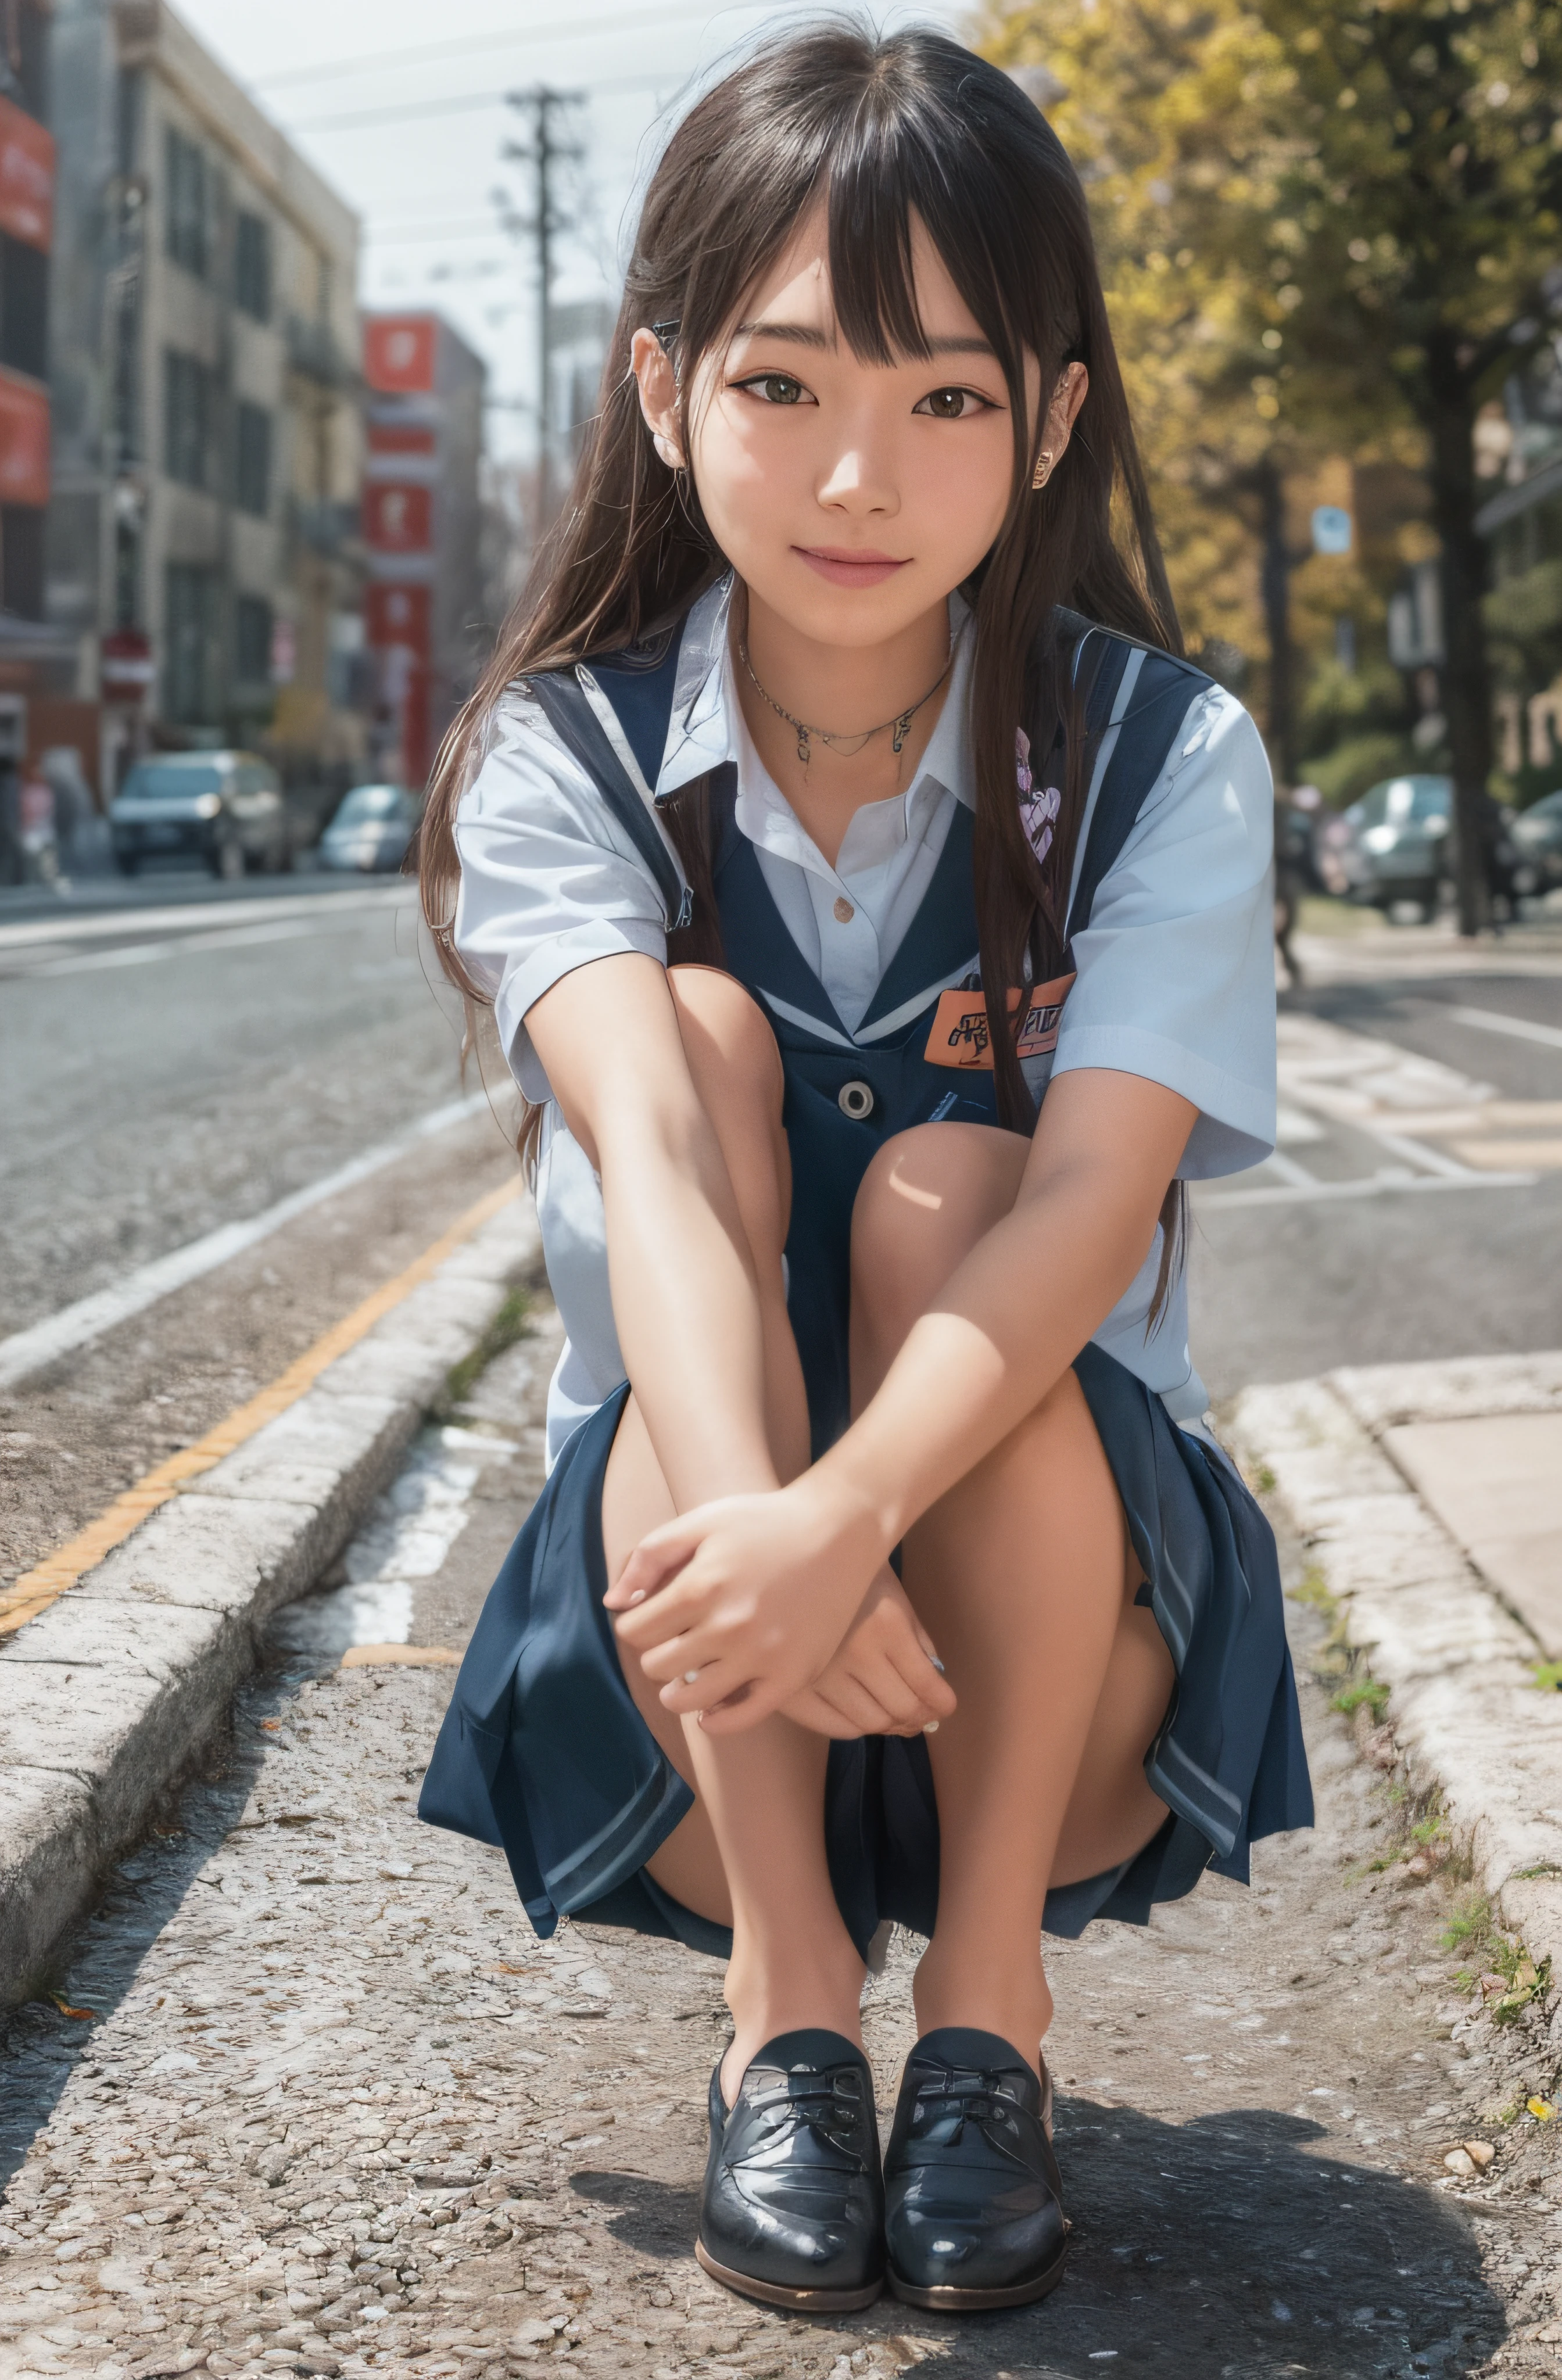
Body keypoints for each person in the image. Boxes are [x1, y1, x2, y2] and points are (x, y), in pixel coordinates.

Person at [417, 24, 1311, 2320]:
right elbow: (651, 1153)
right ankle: (792, 2012)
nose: (856, 473)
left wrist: (857, 1515)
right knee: (698, 1046)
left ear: (1054, 416)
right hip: (710, 1676)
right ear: (660, 386)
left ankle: (986, 2012)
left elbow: (1098, 1202)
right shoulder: (563, 759)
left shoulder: (1161, 756)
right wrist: (790, 1543)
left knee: (955, 1192)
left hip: (1052, 1654)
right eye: (786, 383)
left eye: (943, 398)